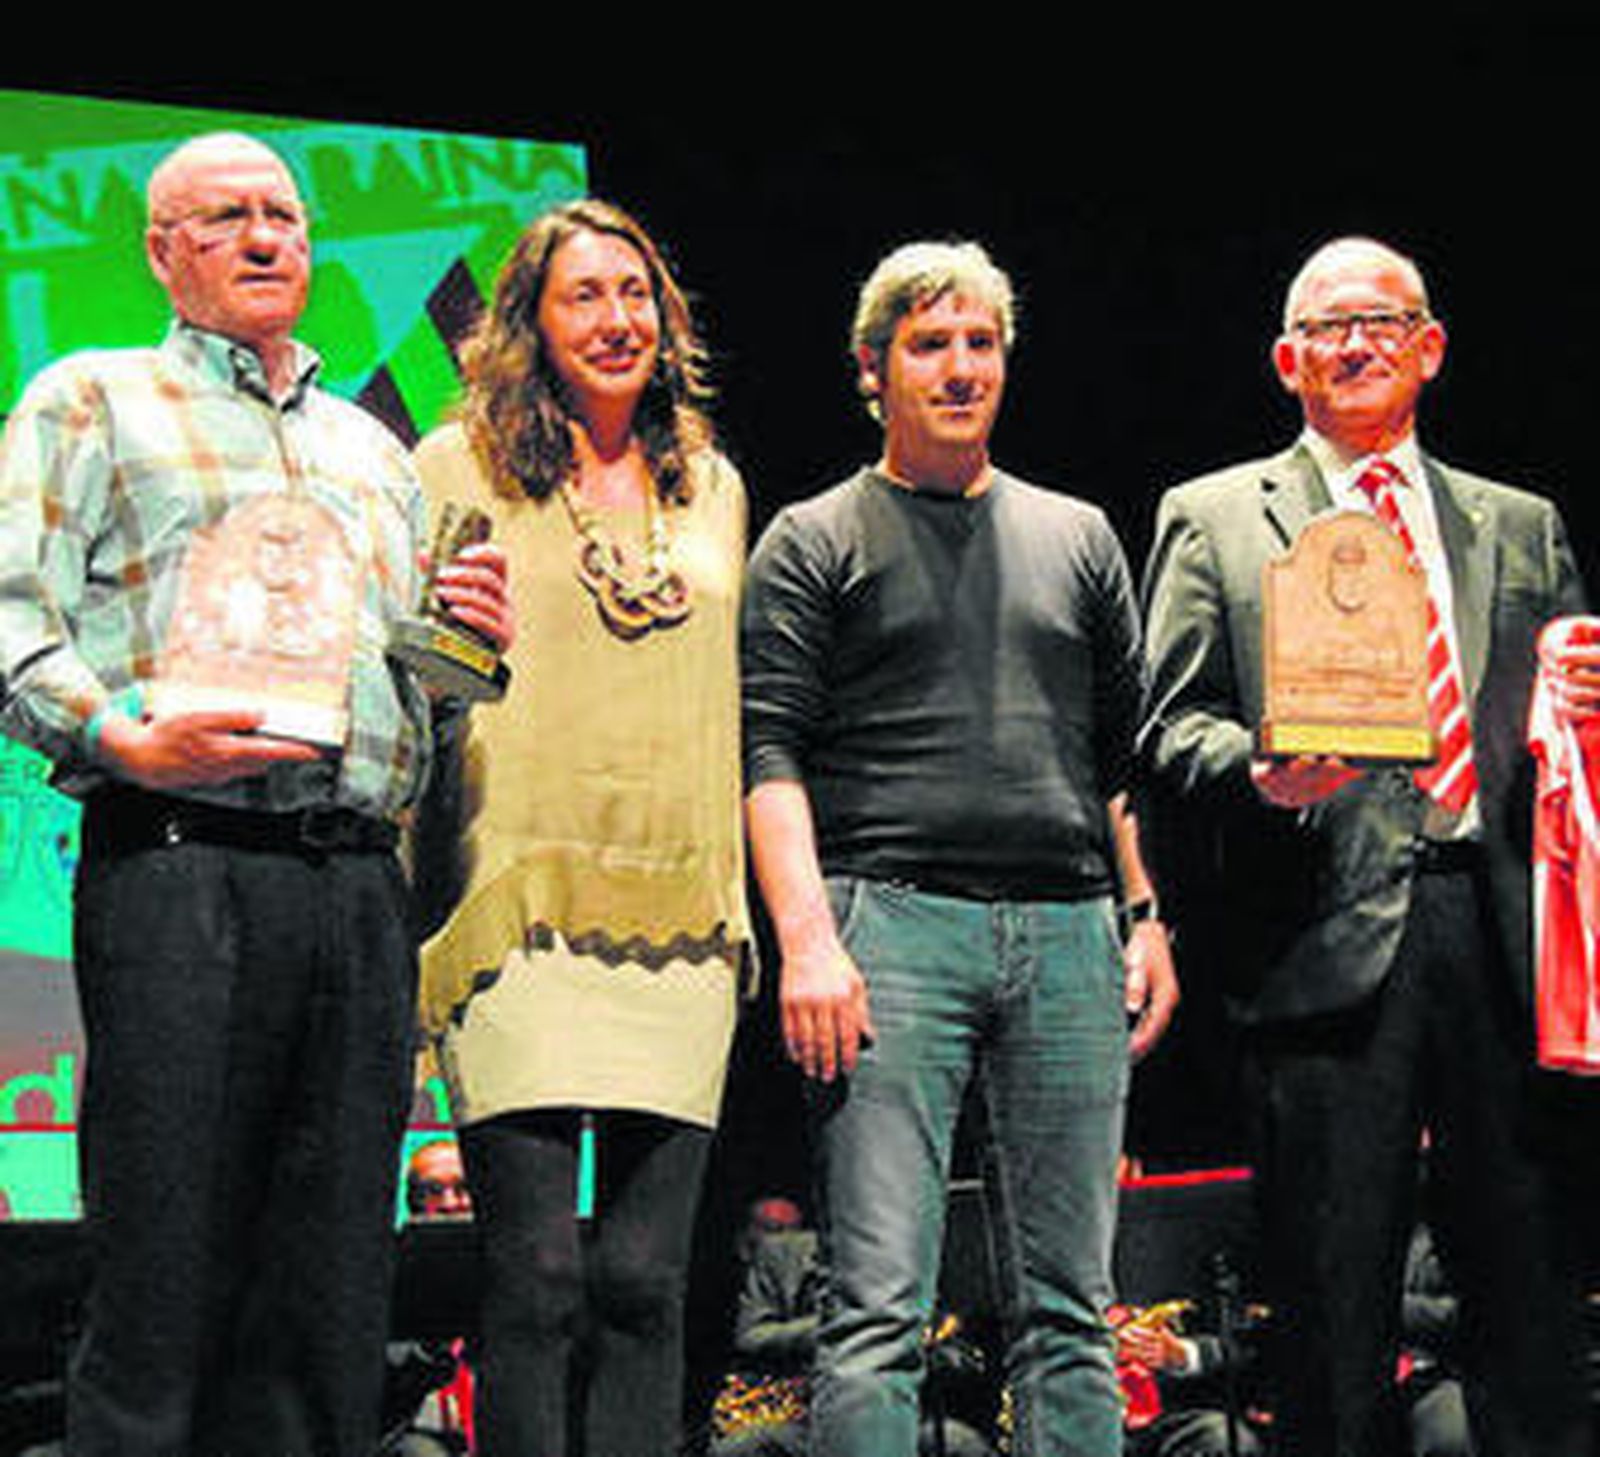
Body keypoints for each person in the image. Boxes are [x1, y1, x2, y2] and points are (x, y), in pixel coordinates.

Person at [0, 132, 510, 1457]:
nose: (265, 234)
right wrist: (121, 736)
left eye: (283, 212)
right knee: (165, 1267)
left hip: (353, 883)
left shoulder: (372, 451)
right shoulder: (90, 400)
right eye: (224, 215)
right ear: (163, 252)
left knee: (334, 1285)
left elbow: (412, 681)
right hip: (180, 859)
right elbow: (13, 619)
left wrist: (464, 646)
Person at [1139, 235, 1599, 1456]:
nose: (1355, 344)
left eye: (1382, 322)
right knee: (1331, 1310)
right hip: (1316, 935)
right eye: (1328, 327)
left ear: (1430, 349)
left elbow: (1568, 742)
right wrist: (1262, 771)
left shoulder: (1521, 522)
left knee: (1530, 1301)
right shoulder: (1218, 515)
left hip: (1500, 941)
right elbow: (1166, 731)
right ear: (1287, 360)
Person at [741, 239, 1178, 1457]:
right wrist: (810, 942)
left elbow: (1118, 756)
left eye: (980, 342)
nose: (959, 366)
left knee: (1069, 1307)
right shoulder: (813, 535)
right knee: (878, 1304)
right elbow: (766, 755)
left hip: (1069, 934)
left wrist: (1144, 918)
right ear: (872, 370)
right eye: (929, 343)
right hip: (887, 926)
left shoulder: (1079, 534)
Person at [412, 198, 751, 1457]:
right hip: (519, 904)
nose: (616, 320)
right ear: (530, 323)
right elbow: (413, 676)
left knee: (648, 1283)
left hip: (683, 913)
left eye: (634, 295)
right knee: (540, 1277)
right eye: (583, 296)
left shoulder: (710, 485)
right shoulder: (454, 465)